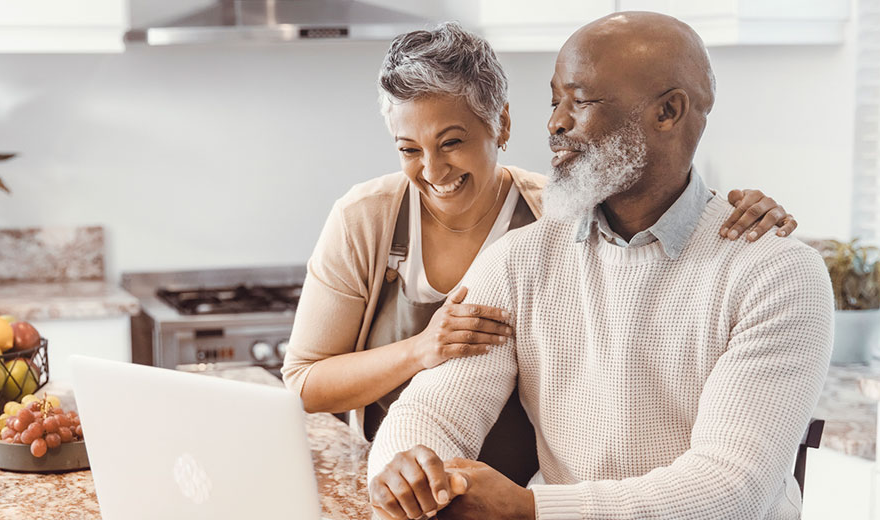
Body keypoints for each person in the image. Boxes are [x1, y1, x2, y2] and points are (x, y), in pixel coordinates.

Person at [280, 21, 799, 487]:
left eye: (452, 141)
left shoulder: (549, 215)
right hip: (468, 492)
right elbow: (420, 408)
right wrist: (406, 456)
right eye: (409, 148)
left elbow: (731, 482)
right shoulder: (383, 221)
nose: (433, 170)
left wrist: (728, 213)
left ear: (501, 126)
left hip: (523, 492)